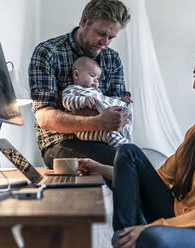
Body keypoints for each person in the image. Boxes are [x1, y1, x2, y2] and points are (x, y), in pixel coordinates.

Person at [78, 45, 195, 248]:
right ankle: (125, 237)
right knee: (128, 152)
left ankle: (127, 240)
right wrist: (99, 168)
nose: (194, 85)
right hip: (186, 215)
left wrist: (157, 226)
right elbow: (159, 178)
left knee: (152, 237)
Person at [28, 0, 131, 169]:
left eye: (111, 37)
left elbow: (119, 113)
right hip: (60, 143)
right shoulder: (48, 52)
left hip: (107, 140)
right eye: (101, 34)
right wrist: (98, 120)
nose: (105, 42)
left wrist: (82, 115)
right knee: (125, 165)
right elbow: (44, 118)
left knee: (136, 160)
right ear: (84, 22)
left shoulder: (112, 59)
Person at [62, 56, 133, 148]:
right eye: (92, 76)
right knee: (111, 136)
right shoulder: (72, 89)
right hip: (87, 130)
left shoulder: (96, 91)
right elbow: (67, 101)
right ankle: (128, 148)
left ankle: (128, 145)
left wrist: (119, 100)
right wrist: (83, 100)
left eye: (97, 78)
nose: (96, 81)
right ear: (76, 75)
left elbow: (105, 100)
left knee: (118, 130)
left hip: (105, 124)